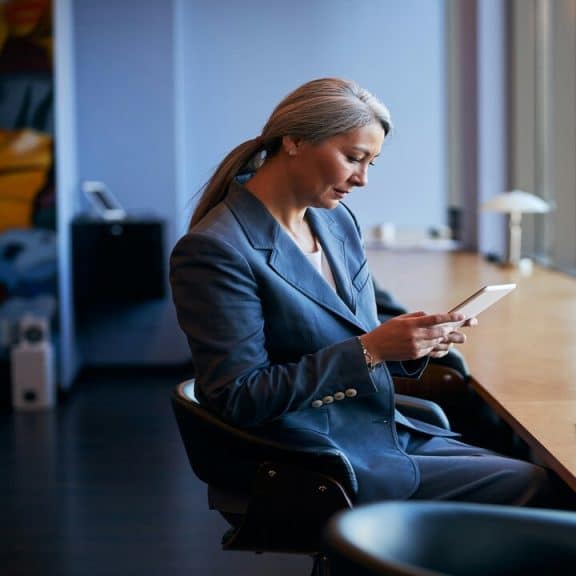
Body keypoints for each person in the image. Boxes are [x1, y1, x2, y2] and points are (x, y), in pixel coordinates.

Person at [170, 77, 547, 507]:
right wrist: (372, 350)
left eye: (372, 163)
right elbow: (238, 397)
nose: (363, 179)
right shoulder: (215, 250)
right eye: (353, 158)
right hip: (312, 456)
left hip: (372, 433)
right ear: (294, 141)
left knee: (539, 478)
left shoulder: (335, 222)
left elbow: (360, 329)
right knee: (534, 485)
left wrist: (416, 341)